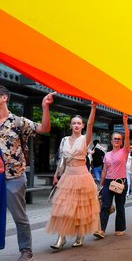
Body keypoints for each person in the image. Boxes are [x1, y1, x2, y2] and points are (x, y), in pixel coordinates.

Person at [0, 86, 53, 261]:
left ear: (4, 97)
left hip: (14, 177)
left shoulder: (18, 121)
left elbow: (44, 128)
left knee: (19, 216)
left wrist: (45, 107)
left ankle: (26, 249)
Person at [47, 103, 99, 247]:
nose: (76, 125)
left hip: (82, 177)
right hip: (67, 176)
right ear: (71, 125)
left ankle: (80, 236)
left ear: (82, 126)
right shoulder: (64, 140)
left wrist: (93, 109)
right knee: (64, 209)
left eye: (79, 123)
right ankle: (61, 238)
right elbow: (61, 160)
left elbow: (90, 124)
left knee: (80, 210)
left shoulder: (85, 140)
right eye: (74, 123)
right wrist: (56, 174)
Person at [98, 116, 130, 236]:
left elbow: (127, 135)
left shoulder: (124, 151)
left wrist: (125, 122)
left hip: (120, 182)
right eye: (115, 139)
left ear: (121, 142)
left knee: (120, 206)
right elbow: (104, 171)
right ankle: (101, 230)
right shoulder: (107, 155)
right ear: (111, 141)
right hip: (108, 182)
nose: (117, 140)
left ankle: (119, 228)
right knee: (105, 205)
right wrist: (101, 185)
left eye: (119, 139)